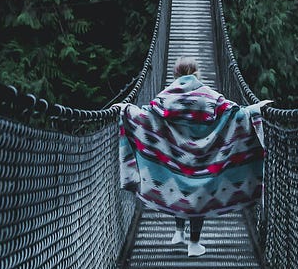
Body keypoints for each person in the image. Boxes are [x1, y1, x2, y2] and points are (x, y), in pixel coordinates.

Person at [113, 57, 271, 256]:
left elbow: (147, 117)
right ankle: (194, 244)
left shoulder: (166, 97)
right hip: (204, 159)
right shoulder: (209, 96)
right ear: (197, 74)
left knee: (178, 186)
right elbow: (234, 114)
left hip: (176, 157)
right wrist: (255, 110)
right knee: (198, 196)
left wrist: (126, 110)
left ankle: (179, 232)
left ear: (175, 75)